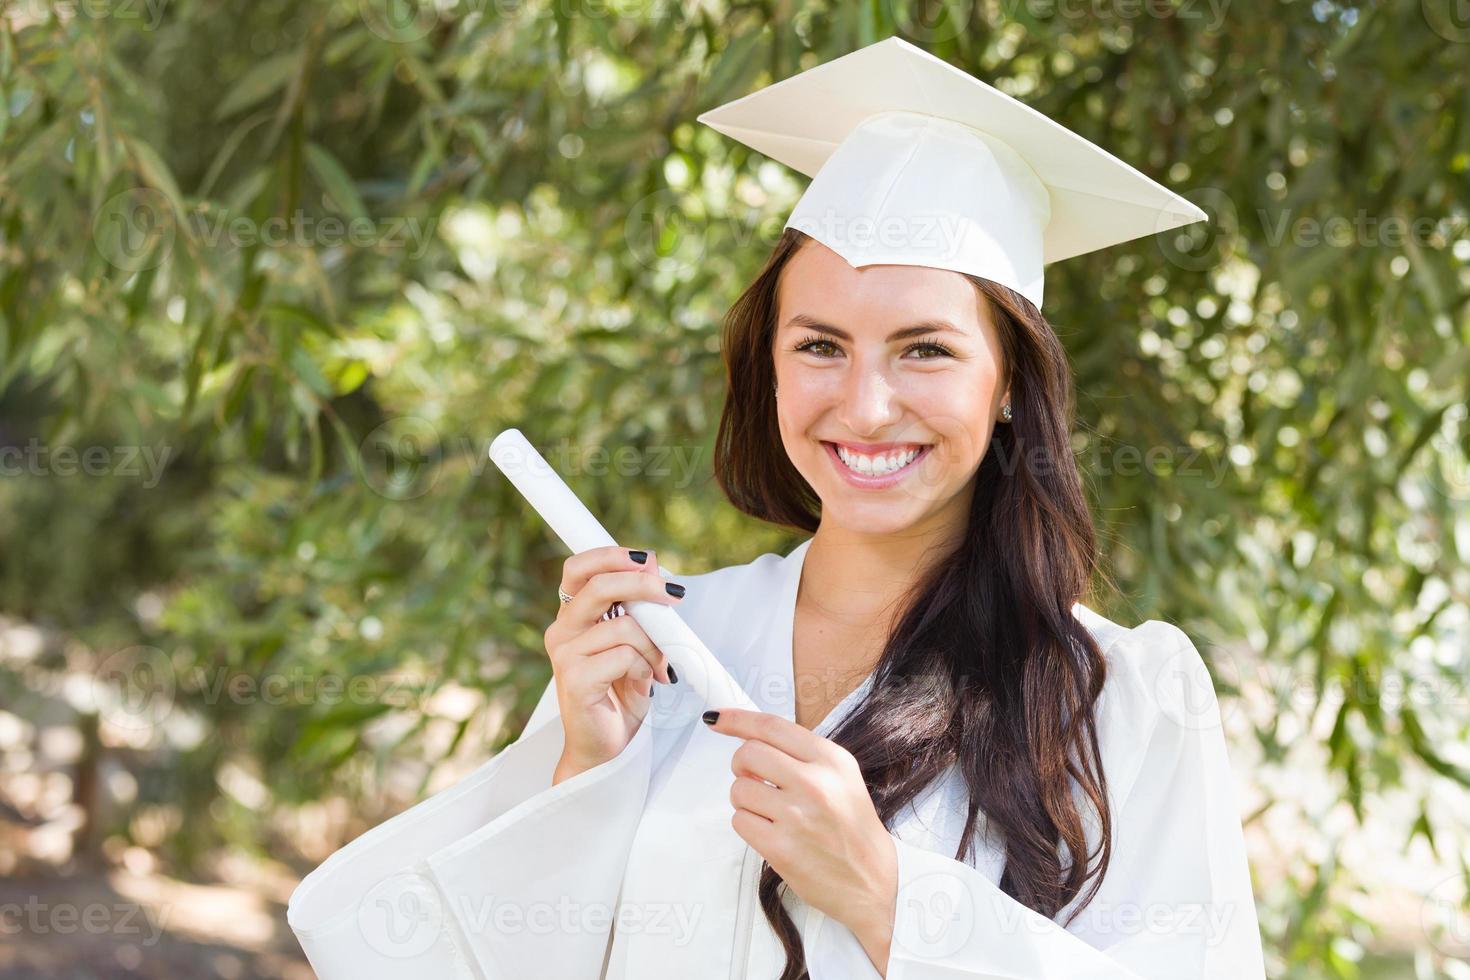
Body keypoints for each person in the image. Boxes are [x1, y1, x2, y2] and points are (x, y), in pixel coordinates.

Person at [287, 36, 1267, 979]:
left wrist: (884, 895)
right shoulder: (668, 641)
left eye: (926, 348)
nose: (866, 404)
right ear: (770, 361)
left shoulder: (1127, 700)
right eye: (819, 345)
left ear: (1009, 379)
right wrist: (586, 766)